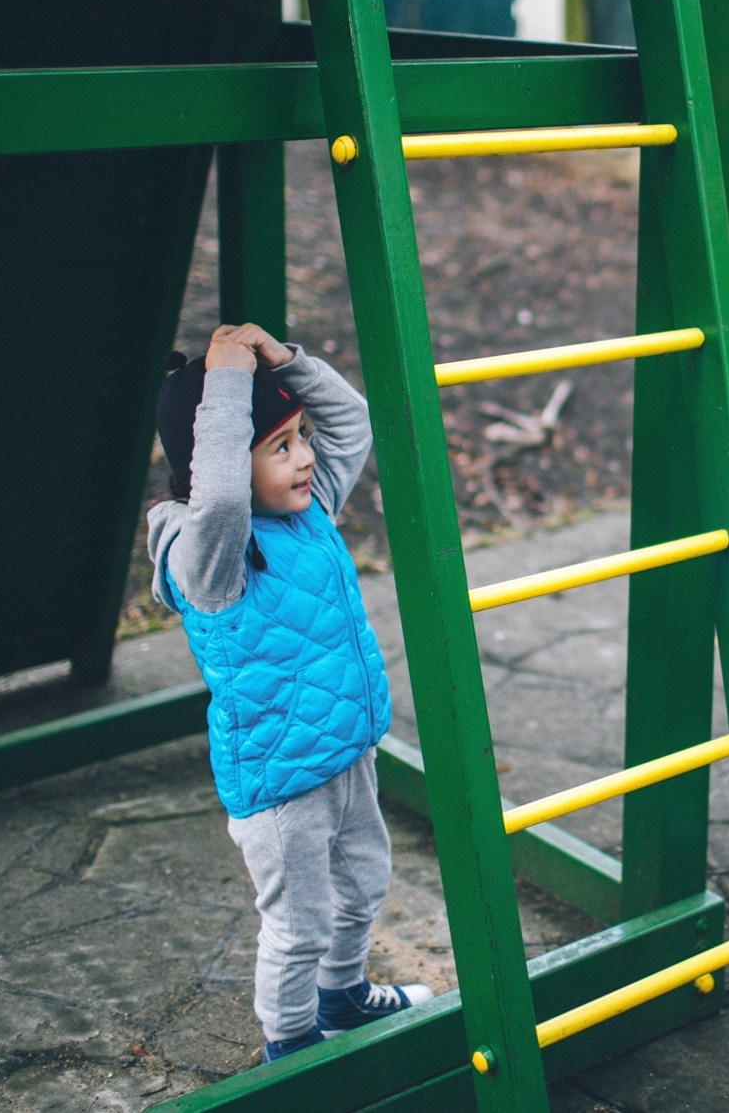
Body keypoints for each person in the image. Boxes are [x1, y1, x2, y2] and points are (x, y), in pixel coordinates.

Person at [149, 322, 433, 1064]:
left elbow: (351, 421)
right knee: (298, 923)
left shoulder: (306, 511)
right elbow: (214, 497)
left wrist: (285, 364)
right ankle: (292, 1048)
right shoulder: (211, 557)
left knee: (364, 884)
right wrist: (225, 383)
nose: (306, 455)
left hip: (343, 754)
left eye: (298, 437)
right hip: (281, 784)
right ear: (221, 463)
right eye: (280, 446)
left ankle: (342, 999)